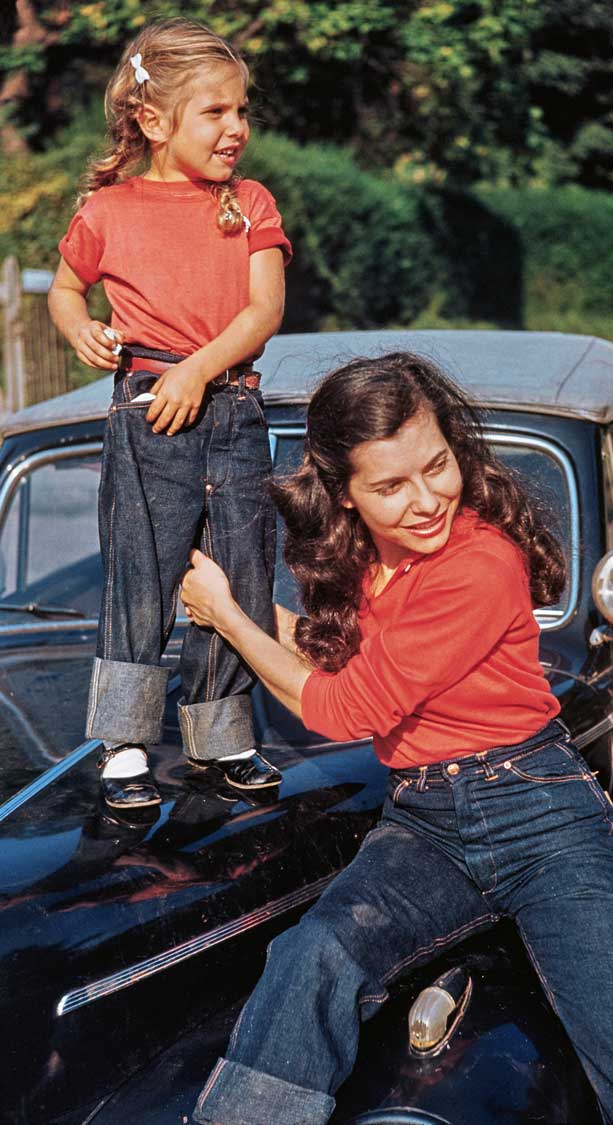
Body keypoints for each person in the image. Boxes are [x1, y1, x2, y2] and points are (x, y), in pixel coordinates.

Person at [181, 352, 613, 1125]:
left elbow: (342, 706)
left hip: (545, 820)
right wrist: (238, 602)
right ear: (345, 495)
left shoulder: (481, 563)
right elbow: (342, 653)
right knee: (310, 957)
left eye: (438, 466)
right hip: (424, 822)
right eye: (391, 486)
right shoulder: (365, 562)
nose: (428, 499)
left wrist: (231, 614)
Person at [48, 19, 292, 809]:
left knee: (240, 574)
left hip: (233, 409)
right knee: (141, 574)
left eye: (242, 111)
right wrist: (79, 326)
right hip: (149, 407)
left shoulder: (249, 203)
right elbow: (62, 288)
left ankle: (223, 737)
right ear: (155, 122)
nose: (237, 130)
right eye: (215, 113)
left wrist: (198, 369)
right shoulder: (109, 210)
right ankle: (124, 746)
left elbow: (262, 312)